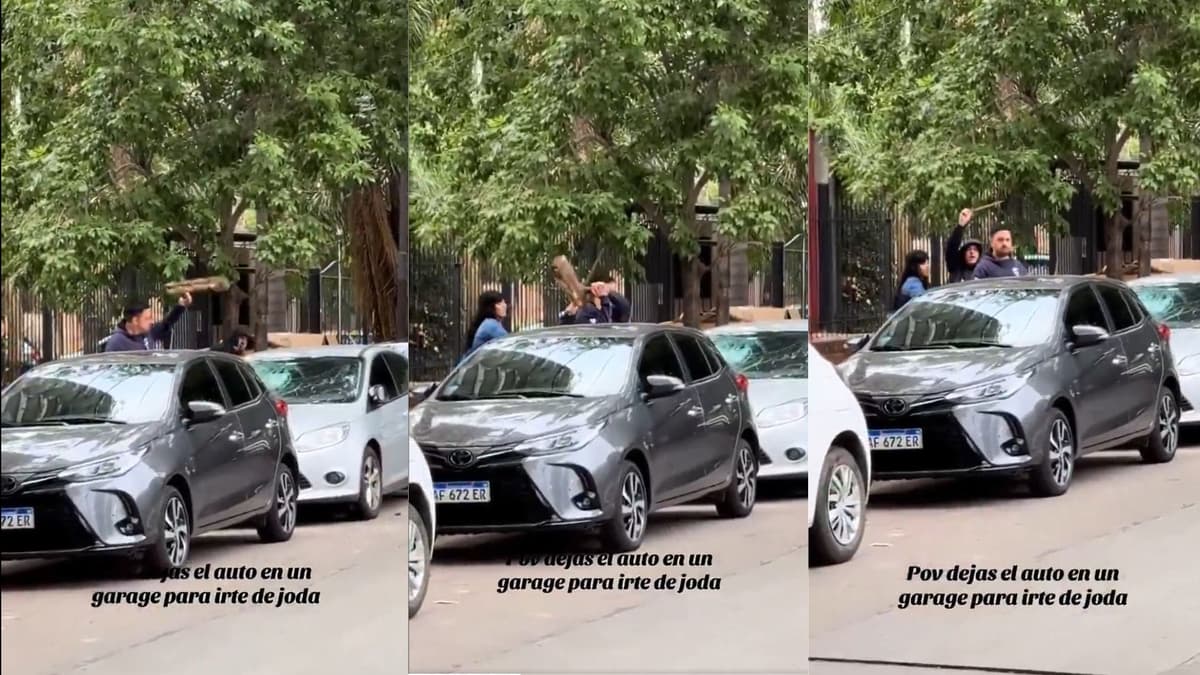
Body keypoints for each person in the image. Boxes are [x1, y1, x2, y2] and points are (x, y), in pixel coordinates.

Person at [105, 293, 193, 352]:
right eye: (148, 318)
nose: (152, 321)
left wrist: (181, 306)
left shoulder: (150, 332)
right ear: (135, 320)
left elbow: (167, 322)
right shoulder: (117, 343)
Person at [463, 291, 508, 358]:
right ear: (490, 308)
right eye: (499, 303)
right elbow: (510, 343)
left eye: (504, 302)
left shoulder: (488, 324)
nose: (504, 305)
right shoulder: (491, 325)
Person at [946, 208, 984, 283]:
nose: (972, 252)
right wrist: (961, 225)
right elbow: (952, 247)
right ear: (963, 253)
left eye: (975, 250)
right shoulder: (955, 268)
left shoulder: (985, 271)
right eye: (969, 249)